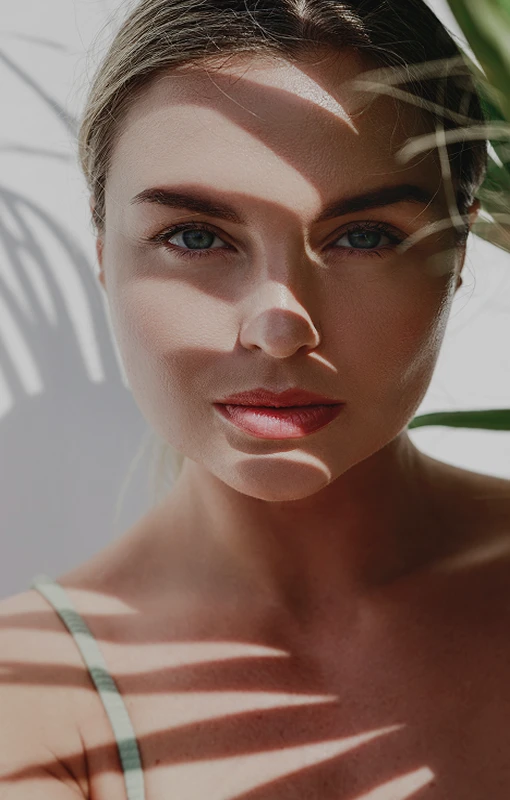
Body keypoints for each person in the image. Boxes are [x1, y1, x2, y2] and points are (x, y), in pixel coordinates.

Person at [2, 0, 510, 797]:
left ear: (458, 247)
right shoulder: (31, 701)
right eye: (197, 237)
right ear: (105, 256)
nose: (280, 328)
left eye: (365, 235)